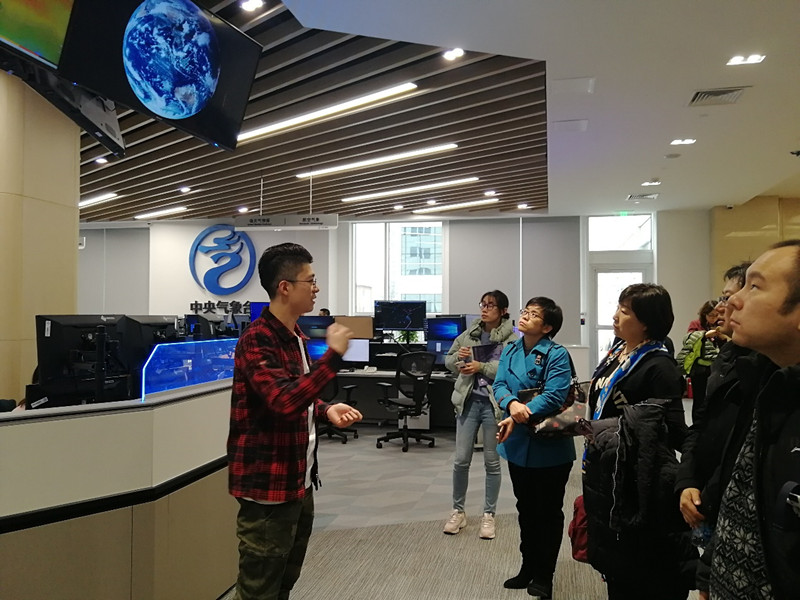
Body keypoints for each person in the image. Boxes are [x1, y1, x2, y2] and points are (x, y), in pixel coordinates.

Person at [227, 242, 363, 600]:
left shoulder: (295, 337)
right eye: (310, 280)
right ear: (285, 287)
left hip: (298, 481)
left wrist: (324, 409)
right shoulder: (257, 340)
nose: (316, 288)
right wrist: (333, 356)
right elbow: (283, 400)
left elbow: (297, 393)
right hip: (268, 488)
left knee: (284, 581)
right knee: (259, 589)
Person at [582, 283, 691, 600]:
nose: (615, 316)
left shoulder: (659, 366)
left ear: (647, 322)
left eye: (625, 311)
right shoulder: (618, 351)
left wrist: (692, 475)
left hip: (635, 478)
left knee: (636, 564)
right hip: (606, 466)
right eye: (618, 307)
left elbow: (673, 430)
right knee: (612, 556)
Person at [708, 241, 800, 600]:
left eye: (755, 286)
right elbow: (741, 489)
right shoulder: (764, 381)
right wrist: (709, 571)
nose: (733, 301)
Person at [674, 262, 752, 599]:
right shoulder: (727, 356)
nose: (721, 307)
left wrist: (705, 494)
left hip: (731, 508)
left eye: (728, 297)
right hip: (706, 493)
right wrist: (687, 480)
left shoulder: (767, 370)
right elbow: (701, 425)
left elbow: (741, 453)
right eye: (721, 298)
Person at [493, 297, 574, 600]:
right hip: (517, 444)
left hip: (550, 447)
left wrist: (519, 411)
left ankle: (544, 575)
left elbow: (555, 395)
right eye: (525, 311)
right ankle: (528, 567)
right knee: (525, 509)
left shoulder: (556, 354)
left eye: (534, 314)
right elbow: (499, 384)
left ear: (548, 327)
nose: (525, 316)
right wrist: (511, 403)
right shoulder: (511, 349)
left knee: (548, 512)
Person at [442, 290, 519, 539]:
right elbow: (448, 360)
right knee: (460, 460)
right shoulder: (470, 333)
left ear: (503, 311)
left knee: (492, 462)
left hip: (494, 406)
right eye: (483, 304)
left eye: (491, 305)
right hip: (468, 402)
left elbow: (509, 369)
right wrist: (460, 359)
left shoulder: (511, 338)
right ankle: (458, 511)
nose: (484, 309)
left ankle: (489, 514)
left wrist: (481, 366)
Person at [676, 300, 722, 412]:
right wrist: (705, 335)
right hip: (699, 367)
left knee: (714, 399)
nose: (714, 318)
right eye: (711, 315)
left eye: (716, 315)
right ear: (704, 314)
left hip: (715, 366)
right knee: (699, 399)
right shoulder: (696, 324)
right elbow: (688, 340)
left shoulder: (720, 325)